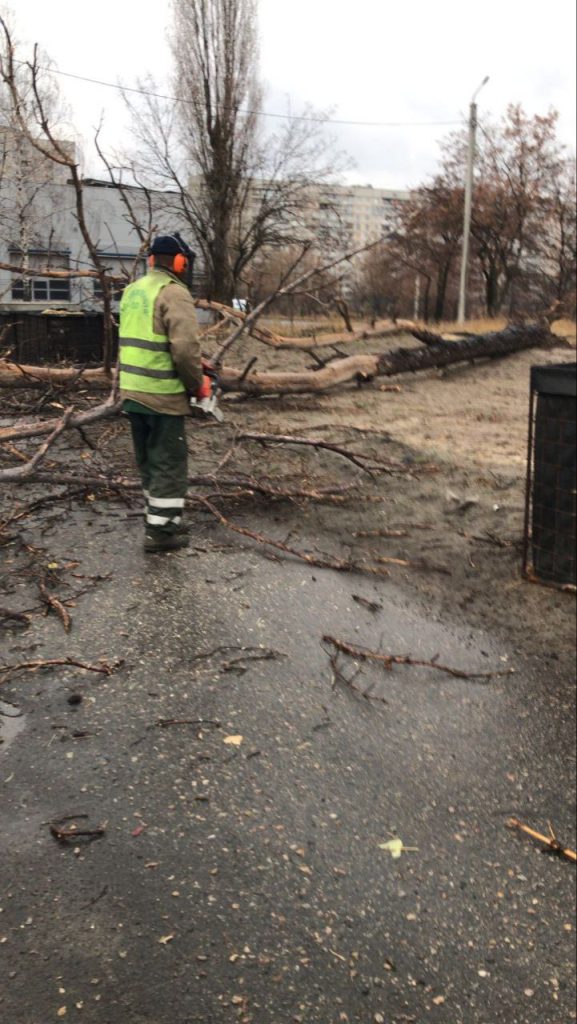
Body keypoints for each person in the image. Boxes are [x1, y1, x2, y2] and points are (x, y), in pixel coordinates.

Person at [119, 233, 208, 553]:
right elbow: (185, 349)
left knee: (148, 460)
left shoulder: (132, 291)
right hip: (163, 395)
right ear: (181, 262)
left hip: (133, 392)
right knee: (169, 462)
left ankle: (159, 519)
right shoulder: (174, 293)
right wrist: (196, 384)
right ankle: (160, 534)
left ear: (151, 260)